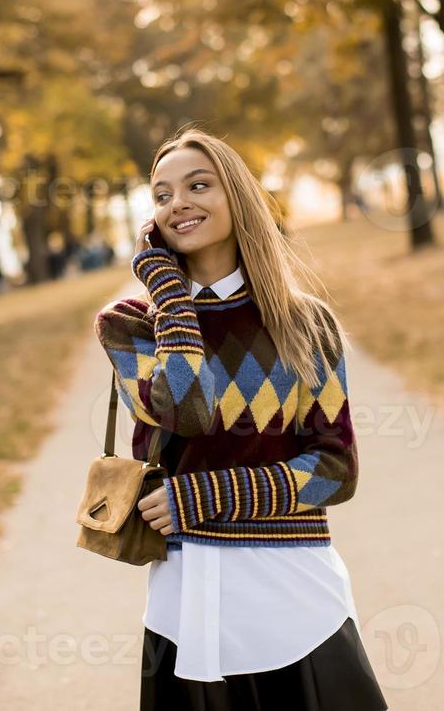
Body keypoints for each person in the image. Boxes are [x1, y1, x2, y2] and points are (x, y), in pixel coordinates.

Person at [93, 127, 388, 710]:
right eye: (162, 194)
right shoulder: (128, 323)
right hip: (187, 590)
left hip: (294, 589)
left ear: (237, 197)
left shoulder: (305, 323)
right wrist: (171, 299)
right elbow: (189, 411)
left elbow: (336, 469)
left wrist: (201, 498)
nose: (179, 202)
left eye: (198, 185)